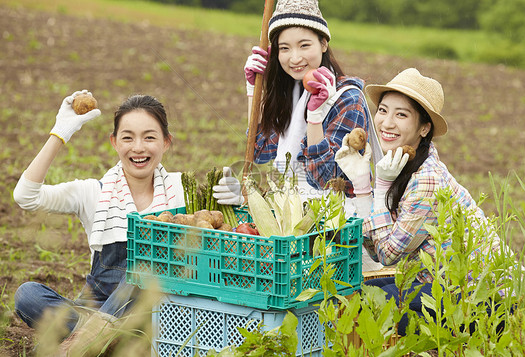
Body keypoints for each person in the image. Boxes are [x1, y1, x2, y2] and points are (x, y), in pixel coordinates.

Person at [335, 68, 512, 335]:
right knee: (367, 291)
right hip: (441, 283)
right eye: (383, 110)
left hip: (483, 298)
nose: (386, 123)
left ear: (424, 128)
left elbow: (387, 255)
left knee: (378, 303)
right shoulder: (402, 166)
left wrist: (378, 189)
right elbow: (377, 248)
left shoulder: (426, 180)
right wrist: (362, 185)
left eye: (401, 114)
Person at [12, 91, 185, 346]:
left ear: (166, 142)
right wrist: (60, 133)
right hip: (95, 308)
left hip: (151, 314)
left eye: (149, 137)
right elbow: (25, 196)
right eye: (128, 138)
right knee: (28, 296)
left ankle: (85, 343)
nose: (138, 147)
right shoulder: (94, 192)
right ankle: (105, 340)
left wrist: (234, 197)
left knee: (143, 270)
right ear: (114, 142)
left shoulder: (182, 190)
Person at [213, 0, 378, 206]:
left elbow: (328, 181)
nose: (295, 58)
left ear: (324, 43)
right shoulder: (292, 91)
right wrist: (254, 89)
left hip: (336, 220)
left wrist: (315, 116)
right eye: (285, 48)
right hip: (291, 212)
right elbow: (260, 150)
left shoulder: (347, 99)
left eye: (304, 45)